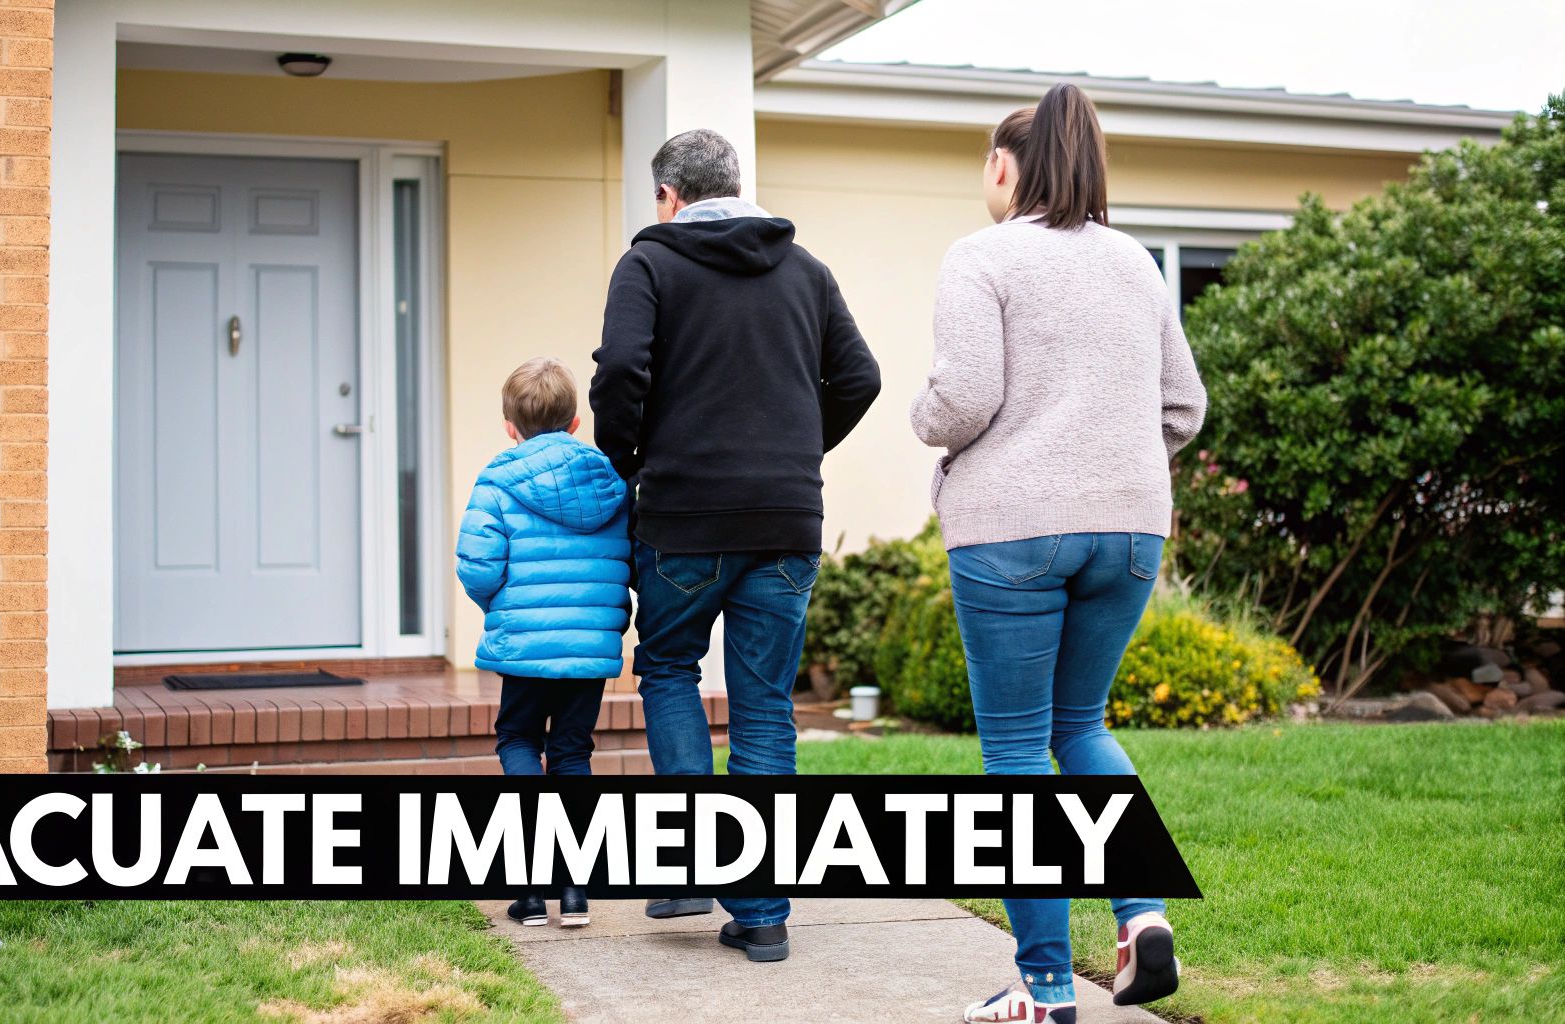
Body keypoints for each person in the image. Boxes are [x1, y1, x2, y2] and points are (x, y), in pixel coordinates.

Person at [911, 84, 1207, 1024]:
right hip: (1130, 530)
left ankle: (1043, 991)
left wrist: (924, 422)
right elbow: (1184, 407)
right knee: (1080, 727)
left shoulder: (982, 255)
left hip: (1012, 533)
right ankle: (1143, 912)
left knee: (1013, 753)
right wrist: (1110, 467)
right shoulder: (1134, 264)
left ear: (1006, 167)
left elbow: (960, 404)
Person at [590, 128, 882, 962]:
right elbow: (859, 378)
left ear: (669, 198)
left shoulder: (648, 265)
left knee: (671, 669)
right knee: (765, 707)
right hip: (787, 522)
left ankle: (687, 867)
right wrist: (795, 454)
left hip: (684, 519)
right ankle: (761, 911)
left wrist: (629, 464)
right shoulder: (806, 271)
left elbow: (620, 377)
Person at [455, 356, 632, 932]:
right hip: (587, 650)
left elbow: (478, 568)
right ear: (576, 422)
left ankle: (530, 891)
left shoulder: (497, 480)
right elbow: (626, 561)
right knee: (574, 754)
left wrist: (504, 610)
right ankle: (575, 891)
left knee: (518, 739)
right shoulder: (610, 480)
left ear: (510, 425)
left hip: (524, 646)